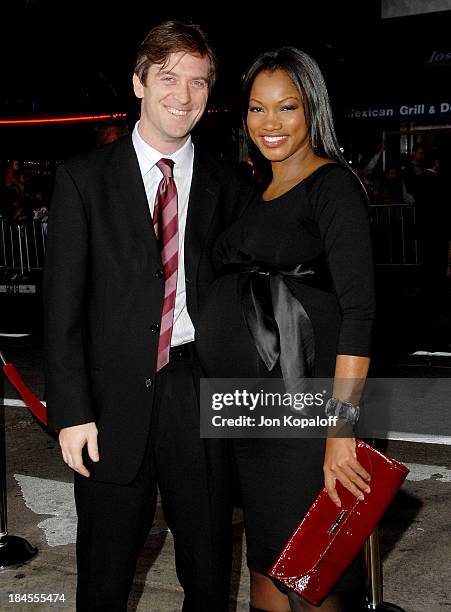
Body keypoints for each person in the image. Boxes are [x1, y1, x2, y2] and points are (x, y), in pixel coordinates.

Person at [43, 20, 252, 612]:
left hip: (197, 389)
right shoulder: (82, 180)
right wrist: (72, 413)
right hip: (110, 405)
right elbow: (62, 310)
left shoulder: (228, 184)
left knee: (209, 572)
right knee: (104, 577)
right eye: (167, 78)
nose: (182, 96)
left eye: (198, 82)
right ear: (138, 82)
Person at [196, 47, 376, 611]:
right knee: (268, 566)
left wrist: (340, 431)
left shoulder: (332, 188)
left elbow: (359, 315)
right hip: (253, 417)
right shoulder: (259, 191)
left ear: (311, 110)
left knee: (309, 576)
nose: (269, 124)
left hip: (306, 416)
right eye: (256, 109)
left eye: (286, 107)